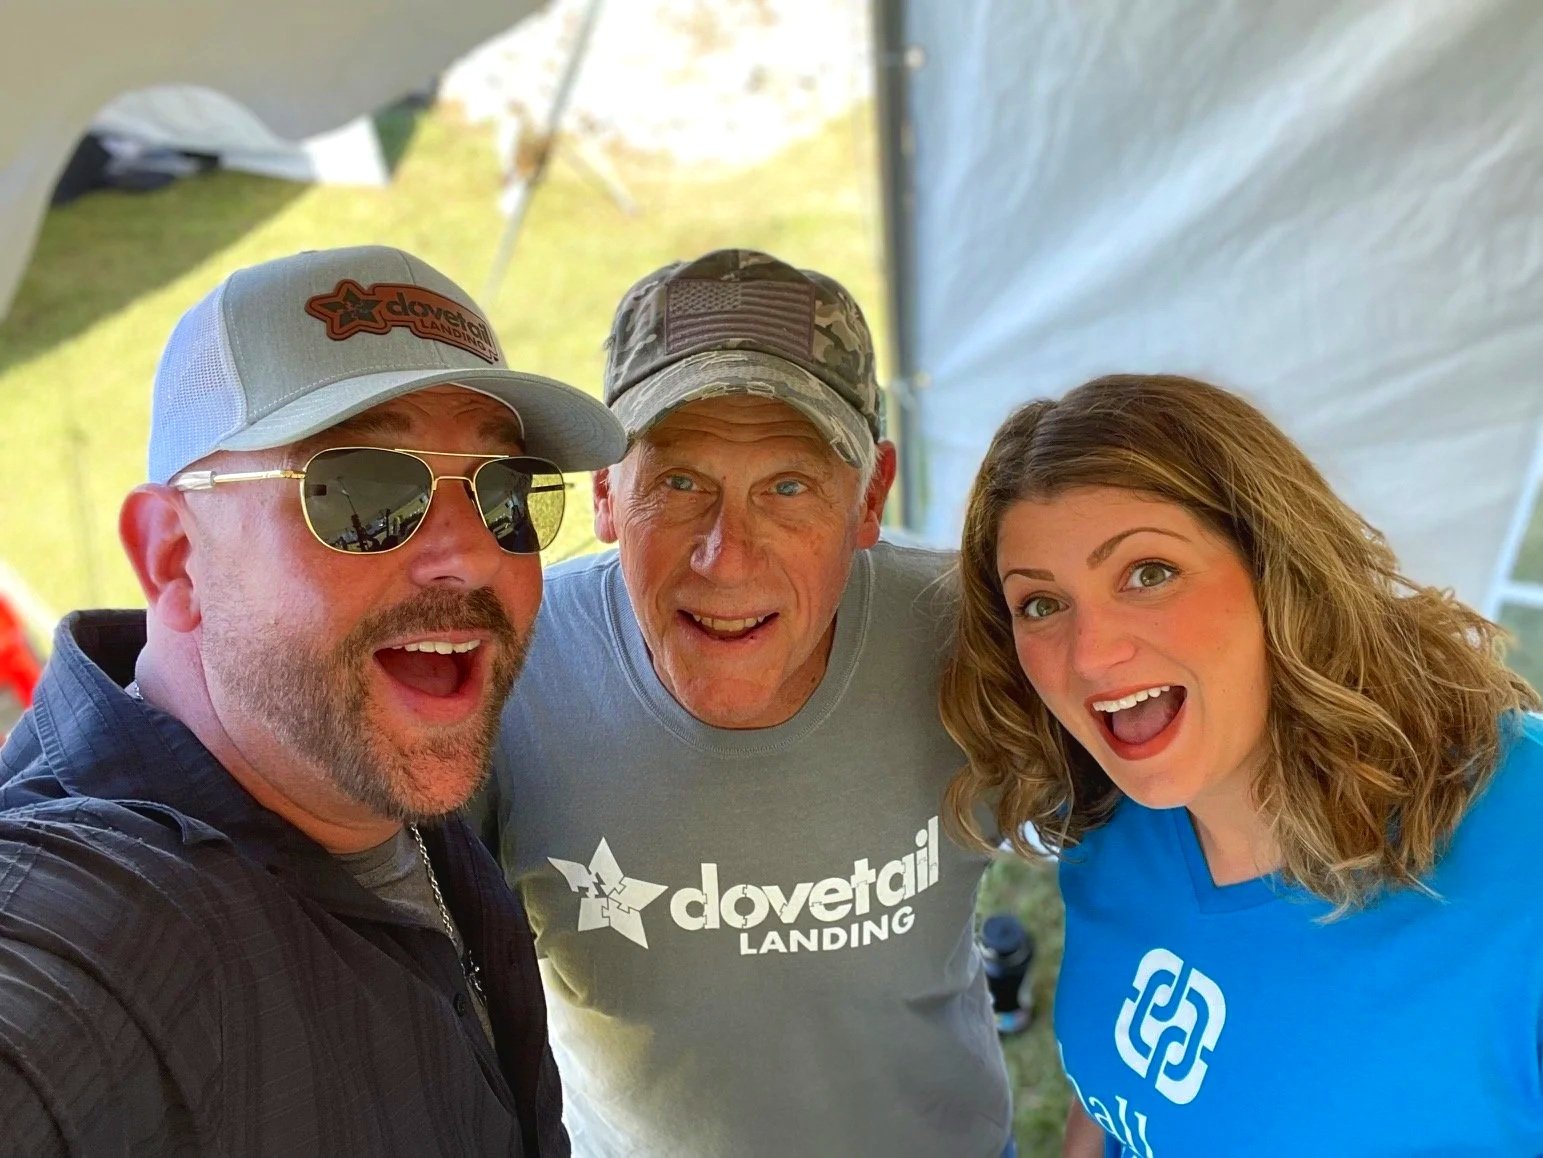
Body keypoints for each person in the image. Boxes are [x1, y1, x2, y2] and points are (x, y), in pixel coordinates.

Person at [0, 244, 627, 1155]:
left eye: (505, 495)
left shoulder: (357, 756)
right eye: (364, 490)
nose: (474, 555)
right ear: (175, 556)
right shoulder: (108, 915)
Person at [475, 249, 1015, 1157]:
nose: (726, 557)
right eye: (680, 483)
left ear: (871, 494)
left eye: (789, 486)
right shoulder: (502, 673)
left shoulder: (975, 640)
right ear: (606, 491)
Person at [939, 373, 1543, 1155]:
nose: (1090, 655)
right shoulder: (1109, 825)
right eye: (1041, 604)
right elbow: (1118, 1105)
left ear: (1278, 568)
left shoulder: (1521, 844)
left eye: (1147, 573)